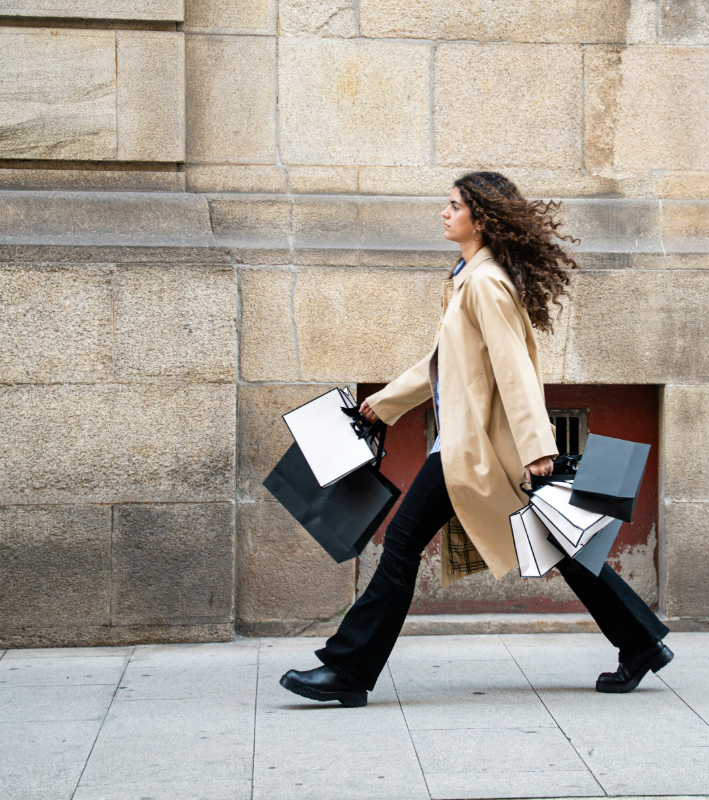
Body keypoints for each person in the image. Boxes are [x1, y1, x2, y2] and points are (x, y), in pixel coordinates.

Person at [280, 172, 671, 708]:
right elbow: (444, 364)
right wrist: (386, 403)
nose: (444, 213)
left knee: (400, 546)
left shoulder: (485, 283)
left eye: (454, 205)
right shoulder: (470, 276)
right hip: (469, 444)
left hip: (475, 448)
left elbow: (513, 369)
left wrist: (538, 448)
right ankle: (641, 641)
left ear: (480, 219)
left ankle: (348, 670)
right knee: (557, 540)